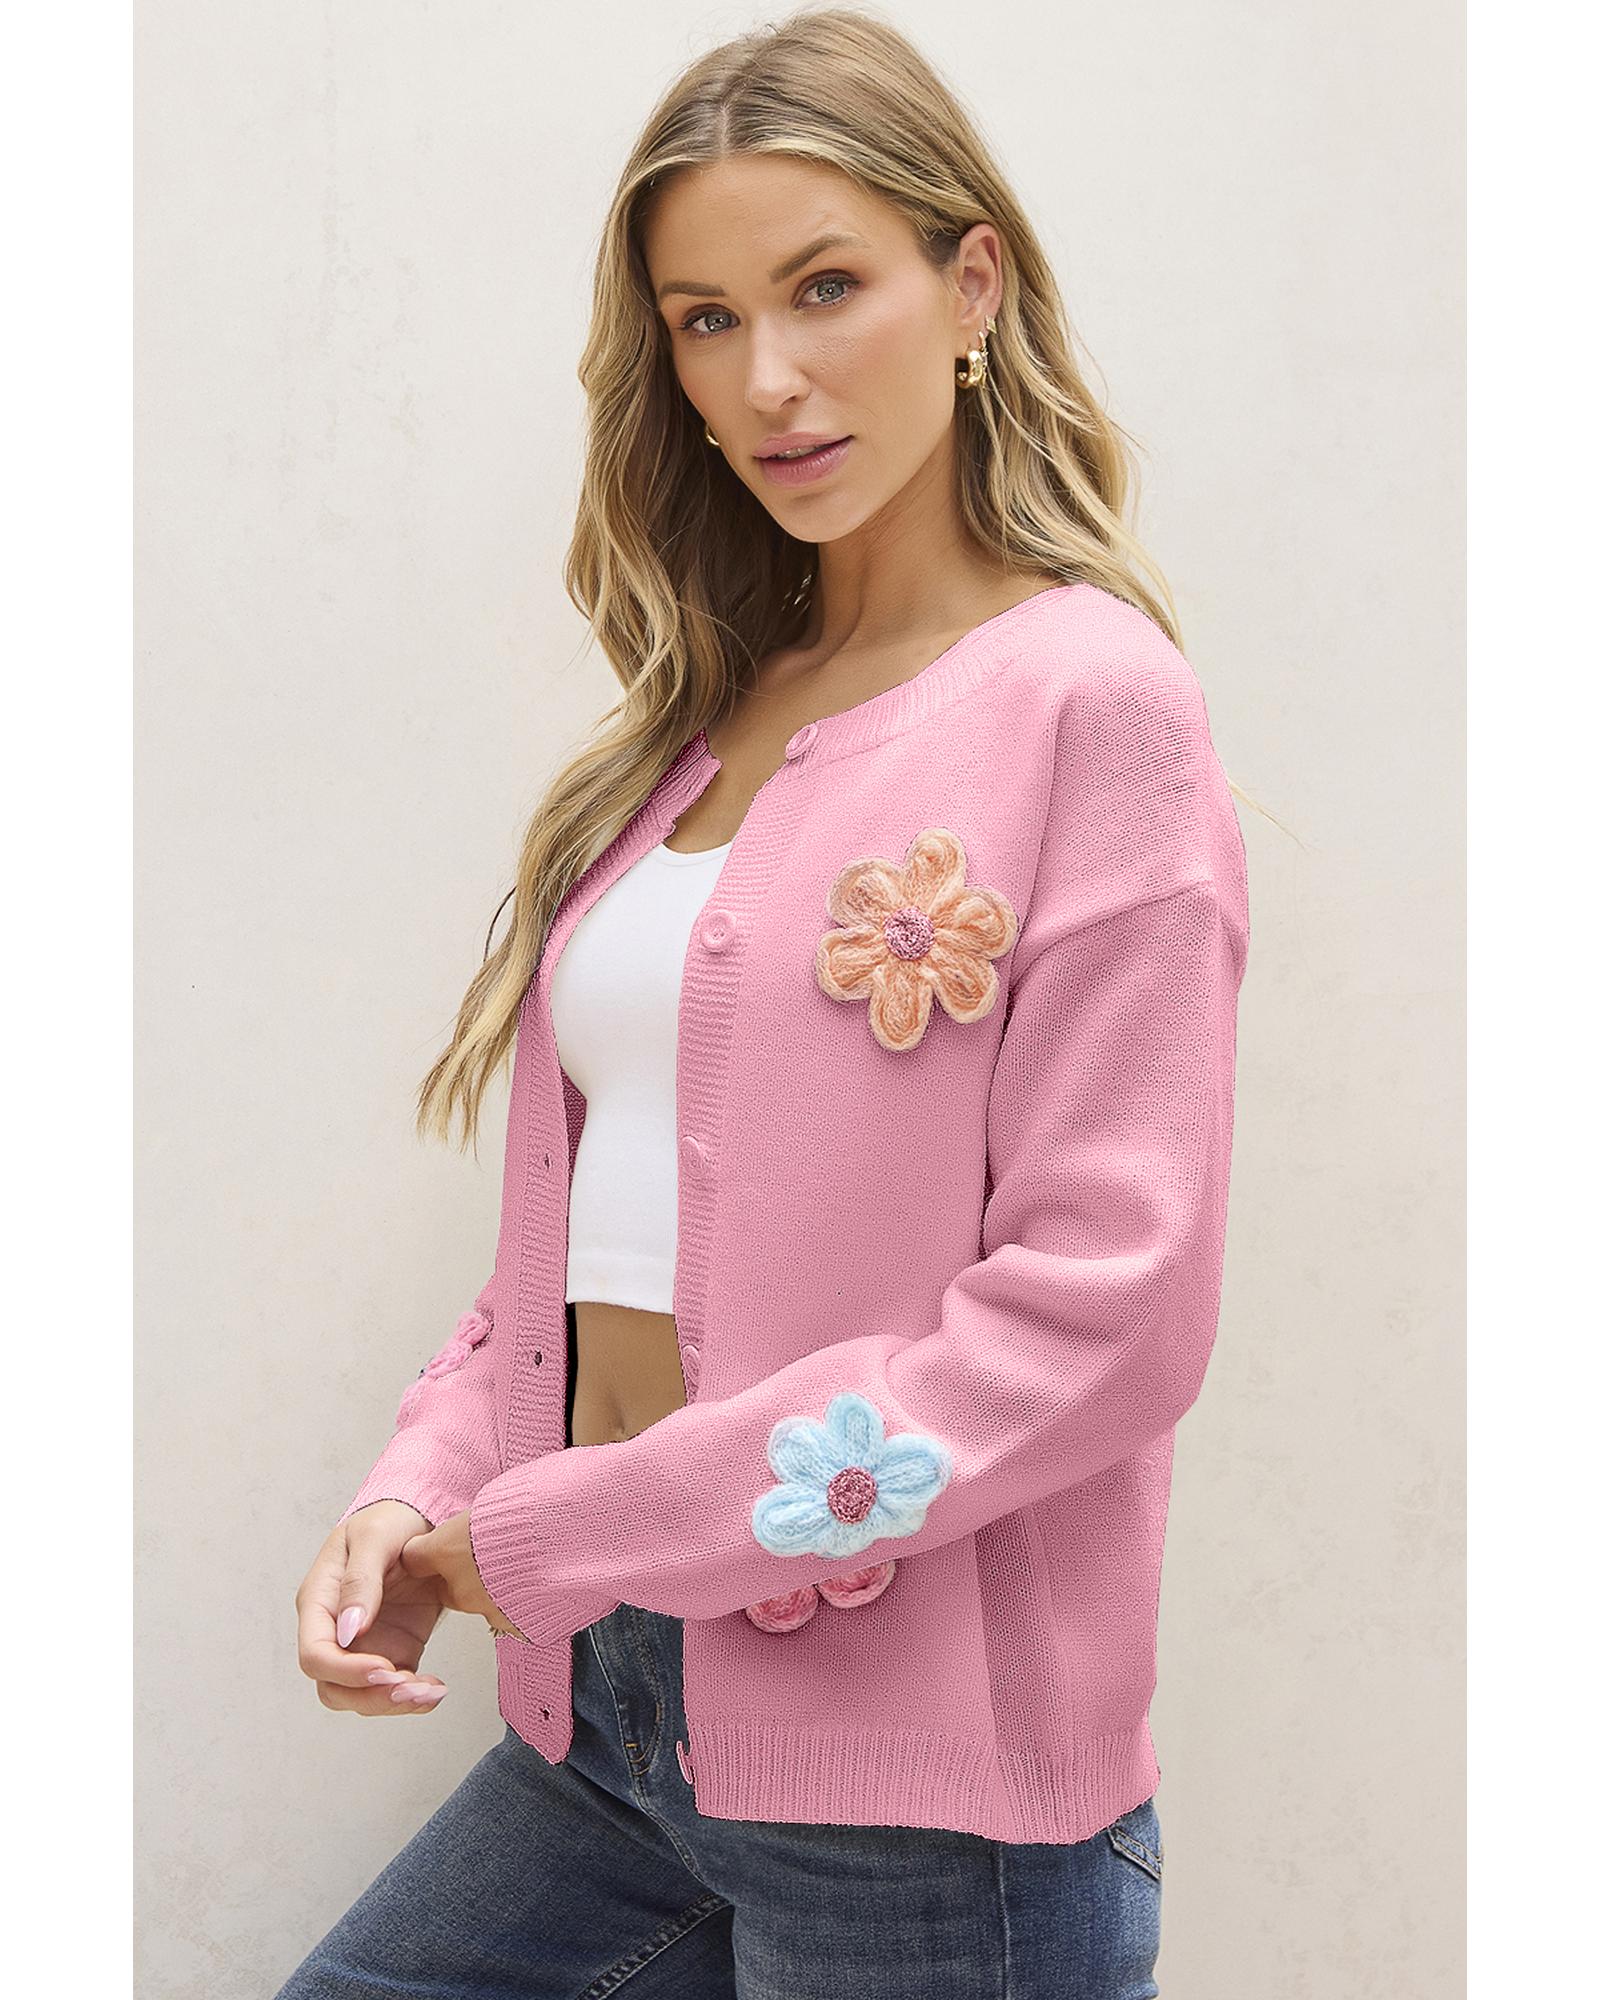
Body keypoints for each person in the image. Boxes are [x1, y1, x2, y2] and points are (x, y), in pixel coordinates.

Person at [277, 9, 1256, 1996]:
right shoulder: (697, 732)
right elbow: (568, 1251)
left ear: (970, 284)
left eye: (824, 288)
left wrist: (559, 1533)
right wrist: (425, 1484)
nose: (768, 379)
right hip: (612, 1714)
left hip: (930, 1803)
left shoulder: (1090, 705)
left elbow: (1104, 1317)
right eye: (704, 321)